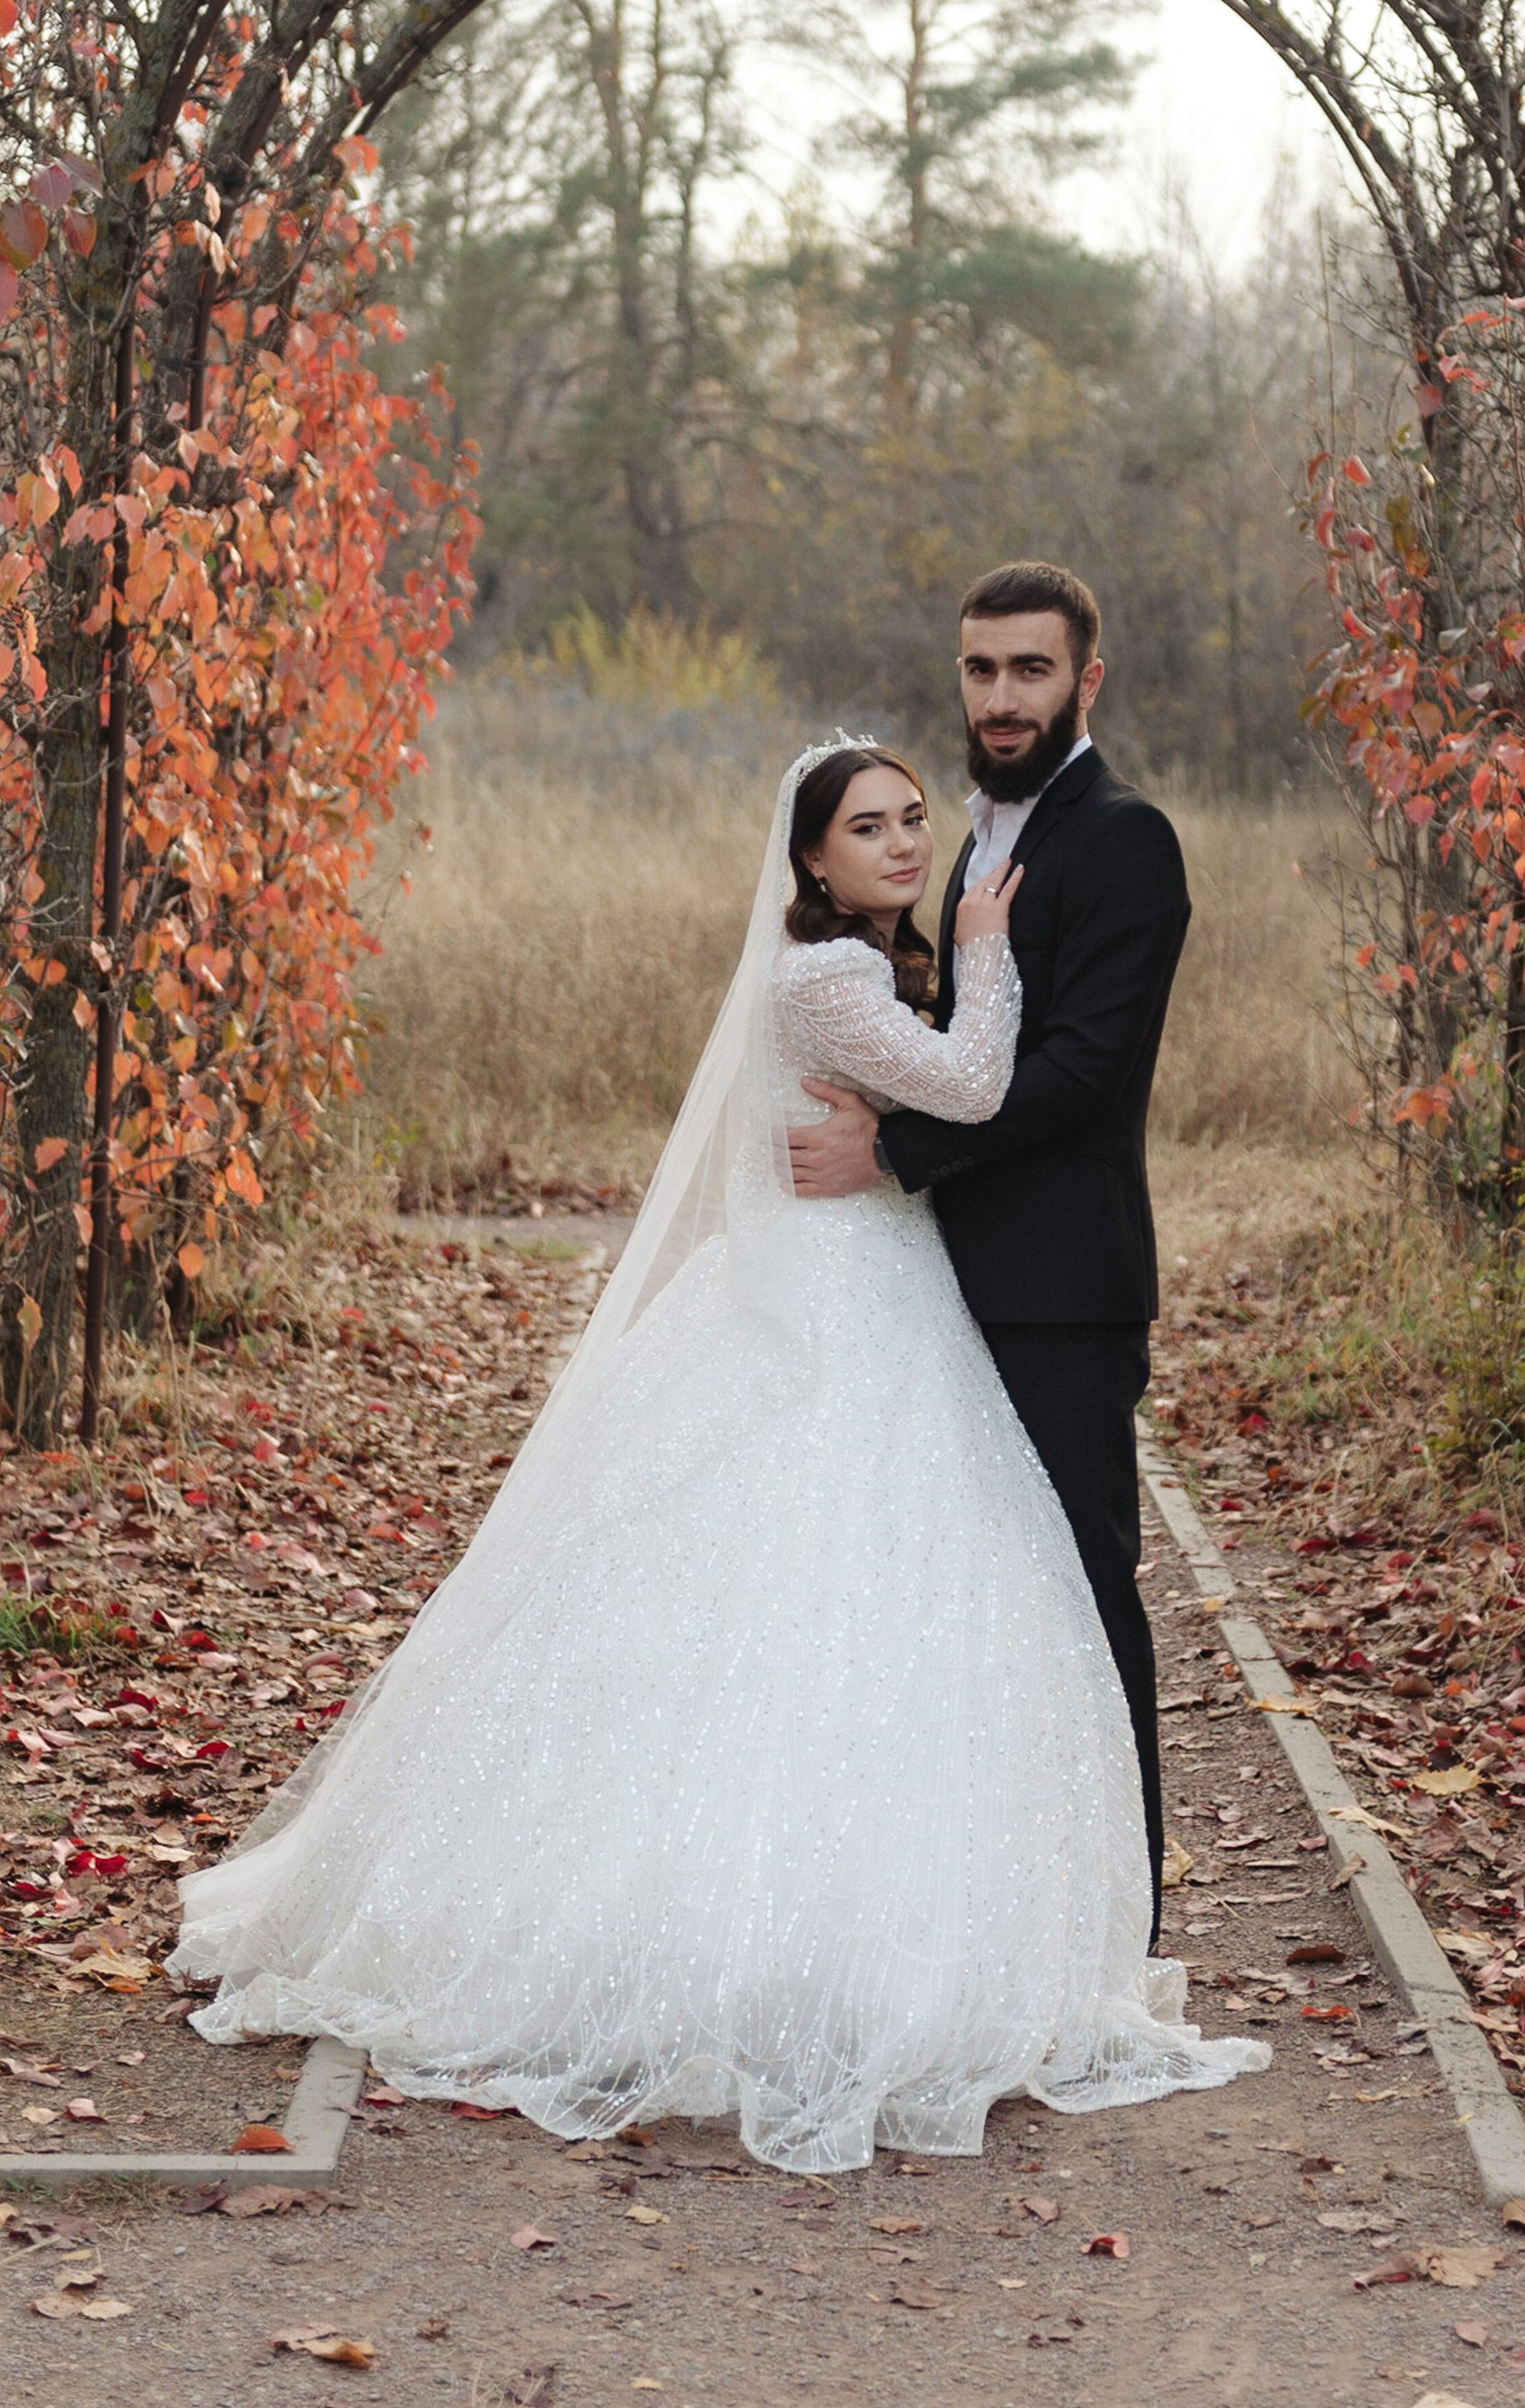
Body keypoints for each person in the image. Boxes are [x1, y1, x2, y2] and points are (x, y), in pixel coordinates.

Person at [168, 738, 1262, 2174]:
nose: (900, 845)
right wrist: (989, 950)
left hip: (872, 1283)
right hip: (834, 1308)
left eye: (911, 820)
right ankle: (738, 1942)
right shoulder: (830, 978)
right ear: (809, 858)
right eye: (866, 828)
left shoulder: (855, 966)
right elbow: (981, 1087)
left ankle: (869, 1929)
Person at [788, 562, 1184, 1924]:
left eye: (1030, 670)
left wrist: (893, 1152)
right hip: (953, 1287)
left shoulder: (1127, 840)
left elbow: (1078, 1076)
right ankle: (1006, 1906)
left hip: (1063, 1293)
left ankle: (1120, 1917)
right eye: (980, 670)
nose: (1001, 697)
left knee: (1083, 1595)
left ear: (1087, 679)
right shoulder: (976, 840)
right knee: (975, 1608)